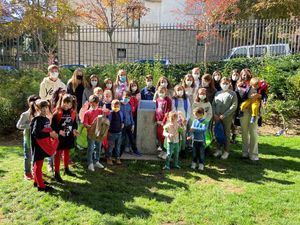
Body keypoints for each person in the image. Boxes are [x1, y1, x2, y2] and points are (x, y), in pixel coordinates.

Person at [30, 100, 58, 192]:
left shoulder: (46, 119)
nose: (45, 109)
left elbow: (47, 129)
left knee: (39, 164)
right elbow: (36, 134)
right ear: (38, 108)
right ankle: (41, 186)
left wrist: (52, 134)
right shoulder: (37, 120)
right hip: (38, 146)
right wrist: (49, 135)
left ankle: (36, 181)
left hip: (44, 145)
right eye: (42, 108)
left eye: (46, 107)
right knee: (38, 165)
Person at [51, 94, 79, 182]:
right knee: (58, 154)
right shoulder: (57, 112)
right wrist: (59, 131)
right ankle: (56, 173)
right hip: (59, 137)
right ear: (61, 102)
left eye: (69, 104)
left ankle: (66, 169)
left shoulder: (72, 112)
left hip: (68, 136)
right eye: (65, 103)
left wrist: (74, 130)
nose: (66, 106)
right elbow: (52, 125)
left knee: (67, 152)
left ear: (71, 104)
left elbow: (74, 123)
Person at [212, 77, 238, 160]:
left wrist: (225, 115)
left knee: (226, 134)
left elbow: (234, 106)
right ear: (220, 84)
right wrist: (214, 114)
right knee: (218, 133)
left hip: (227, 117)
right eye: (223, 83)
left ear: (229, 83)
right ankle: (218, 149)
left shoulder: (232, 93)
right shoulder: (217, 93)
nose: (225, 85)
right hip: (217, 117)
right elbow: (213, 104)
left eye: (226, 83)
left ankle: (226, 151)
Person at [16, 95, 40, 180]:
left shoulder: (39, 113)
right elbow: (18, 125)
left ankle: (35, 170)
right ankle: (27, 172)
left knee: (36, 156)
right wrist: (29, 125)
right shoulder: (25, 114)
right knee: (28, 156)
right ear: (31, 103)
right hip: (28, 139)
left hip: (37, 139)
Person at [83, 95, 109, 171]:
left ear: (98, 103)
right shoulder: (87, 113)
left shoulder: (100, 110)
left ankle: (96, 161)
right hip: (91, 134)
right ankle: (90, 163)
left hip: (99, 133)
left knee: (98, 147)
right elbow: (85, 123)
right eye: (92, 103)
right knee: (90, 148)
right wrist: (89, 126)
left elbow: (107, 113)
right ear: (90, 103)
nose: (94, 104)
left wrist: (106, 111)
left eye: (95, 103)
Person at [120, 91, 141, 156]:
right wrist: (121, 122)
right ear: (122, 96)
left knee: (131, 139)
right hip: (122, 126)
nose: (127, 99)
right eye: (125, 97)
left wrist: (133, 124)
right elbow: (118, 115)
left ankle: (135, 150)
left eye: (128, 98)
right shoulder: (119, 105)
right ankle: (120, 152)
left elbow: (131, 115)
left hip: (129, 124)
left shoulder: (129, 105)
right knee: (122, 139)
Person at [172, 84, 191, 152]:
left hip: (184, 120)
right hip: (176, 120)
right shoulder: (174, 99)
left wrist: (186, 119)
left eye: (181, 90)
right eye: (178, 90)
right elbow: (173, 109)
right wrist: (177, 119)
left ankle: (183, 149)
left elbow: (189, 110)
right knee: (176, 135)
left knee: (183, 135)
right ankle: (176, 150)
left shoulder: (186, 99)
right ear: (175, 91)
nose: (180, 91)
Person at [107, 100, 124, 165]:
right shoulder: (111, 113)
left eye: (118, 106)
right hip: (112, 133)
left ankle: (117, 158)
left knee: (118, 146)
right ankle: (109, 158)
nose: (116, 107)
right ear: (112, 106)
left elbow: (122, 120)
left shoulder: (120, 112)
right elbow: (108, 121)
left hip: (119, 132)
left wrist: (122, 123)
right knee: (110, 146)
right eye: (115, 106)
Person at [155, 86, 172, 151]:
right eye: (159, 92)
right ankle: (160, 146)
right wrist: (157, 119)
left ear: (165, 92)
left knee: (164, 135)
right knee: (159, 134)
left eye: (162, 92)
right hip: (158, 121)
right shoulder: (158, 100)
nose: (161, 93)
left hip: (165, 121)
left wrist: (163, 121)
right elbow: (156, 110)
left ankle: (164, 149)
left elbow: (168, 111)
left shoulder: (168, 100)